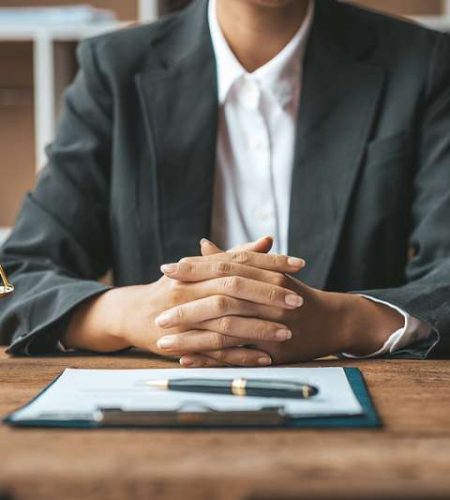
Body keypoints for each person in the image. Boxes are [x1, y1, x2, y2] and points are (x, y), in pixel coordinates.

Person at [1, 0, 449, 366]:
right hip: (153, 410)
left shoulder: (424, 64)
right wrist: (131, 313)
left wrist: (344, 322)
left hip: (374, 413)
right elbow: (11, 277)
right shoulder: (114, 71)